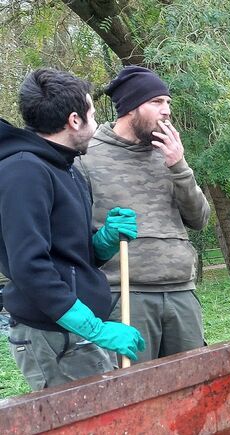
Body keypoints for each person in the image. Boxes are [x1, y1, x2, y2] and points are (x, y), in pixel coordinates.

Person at [0, 68, 144, 391]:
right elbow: (30, 267)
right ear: (74, 120)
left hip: (73, 333)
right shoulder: (23, 171)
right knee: (95, 432)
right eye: (93, 115)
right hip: (52, 336)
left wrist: (104, 240)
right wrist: (95, 328)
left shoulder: (66, 169)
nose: (97, 125)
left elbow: (70, 255)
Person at [77, 66, 211, 361]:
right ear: (130, 109)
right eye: (157, 102)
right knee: (134, 393)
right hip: (124, 295)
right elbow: (74, 234)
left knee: (191, 388)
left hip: (181, 292)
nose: (167, 111)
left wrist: (179, 166)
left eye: (168, 103)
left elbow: (200, 218)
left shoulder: (169, 154)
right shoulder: (87, 157)